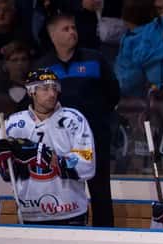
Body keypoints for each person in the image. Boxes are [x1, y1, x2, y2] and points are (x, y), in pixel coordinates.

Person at [37, 13, 120, 227]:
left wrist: (96, 117)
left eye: (73, 28)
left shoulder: (94, 59)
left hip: (95, 139)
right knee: (64, 193)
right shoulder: (43, 67)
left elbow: (113, 94)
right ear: (52, 35)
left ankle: (105, 239)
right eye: (65, 29)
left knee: (101, 193)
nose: (72, 32)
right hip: (59, 142)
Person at [0, 68, 95, 225]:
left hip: (70, 212)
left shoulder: (74, 119)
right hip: (30, 214)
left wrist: (51, 158)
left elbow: (87, 165)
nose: (52, 93)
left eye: (55, 88)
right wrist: (7, 164)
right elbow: (2, 170)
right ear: (31, 92)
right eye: (45, 88)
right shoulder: (11, 125)